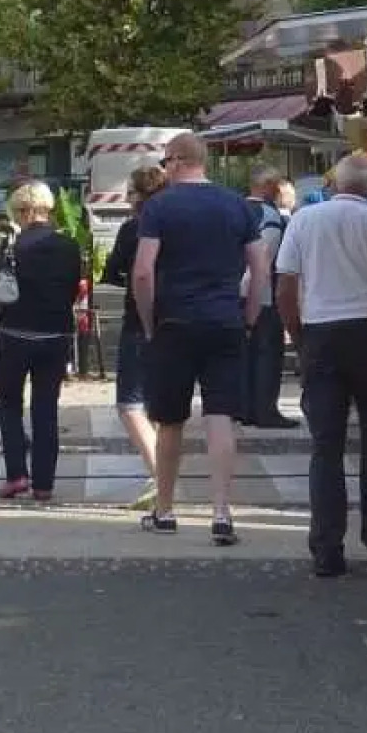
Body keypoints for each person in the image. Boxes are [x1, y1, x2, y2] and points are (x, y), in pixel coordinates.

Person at [131, 133, 265, 545]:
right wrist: (249, 315)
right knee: (221, 415)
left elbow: (142, 271)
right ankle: (222, 513)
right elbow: (260, 268)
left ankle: (166, 509)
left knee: (170, 419)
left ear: (175, 162)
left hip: (175, 322)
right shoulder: (238, 206)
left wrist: (150, 321)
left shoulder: (159, 206)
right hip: (225, 321)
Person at [275, 152, 367, 577]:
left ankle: (327, 547)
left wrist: (297, 334)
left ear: (334, 184)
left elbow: (286, 285)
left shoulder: (304, 221)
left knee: (326, 447)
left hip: (321, 333)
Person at [0, 181, 83, 501]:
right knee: (46, 408)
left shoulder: (12, 246)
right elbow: (72, 290)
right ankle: (44, 483)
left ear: (23, 212)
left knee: (9, 404)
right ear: (47, 209)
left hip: (14, 335)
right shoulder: (69, 246)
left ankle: (16, 475)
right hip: (55, 336)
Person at [100, 165, 166, 508]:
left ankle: (161, 476)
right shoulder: (178, 224)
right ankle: (159, 476)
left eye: (130, 193)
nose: (127, 199)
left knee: (130, 402)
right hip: (178, 319)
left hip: (140, 321)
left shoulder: (133, 229)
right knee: (159, 402)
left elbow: (114, 272)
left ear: (141, 196)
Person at [241, 165, 298, 429]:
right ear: (271, 188)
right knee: (267, 354)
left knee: (245, 354)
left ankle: (245, 408)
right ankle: (265, 411)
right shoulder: (269, 216)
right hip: (261, 296)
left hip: (230, 293)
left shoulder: (236, 209)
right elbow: (262, 262)